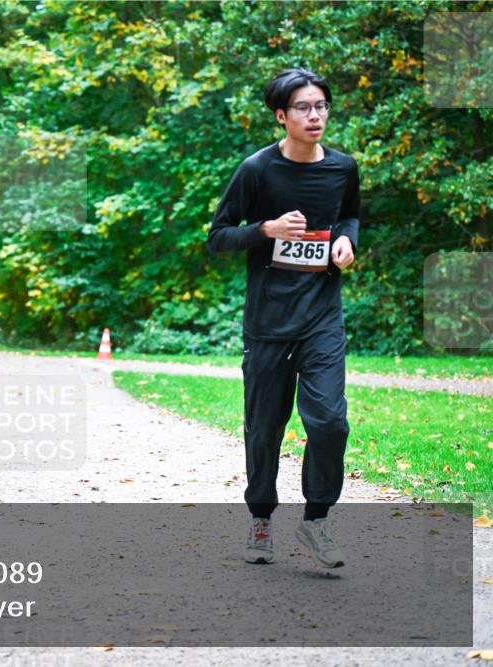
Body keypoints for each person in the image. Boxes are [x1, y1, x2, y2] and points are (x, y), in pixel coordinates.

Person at [207, 68, 360, 568]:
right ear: (281, 115)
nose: (315, 116)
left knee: (330, 421)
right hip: (269, 321)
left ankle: (316, 519)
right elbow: (218, 237)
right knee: (265, 427)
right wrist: (265, 229)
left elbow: (350, 214)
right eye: (303, 108)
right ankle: (261, 517)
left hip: (321, 316)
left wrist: (346, 240)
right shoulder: (257, 170)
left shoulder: (343, 168)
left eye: (321, 106)